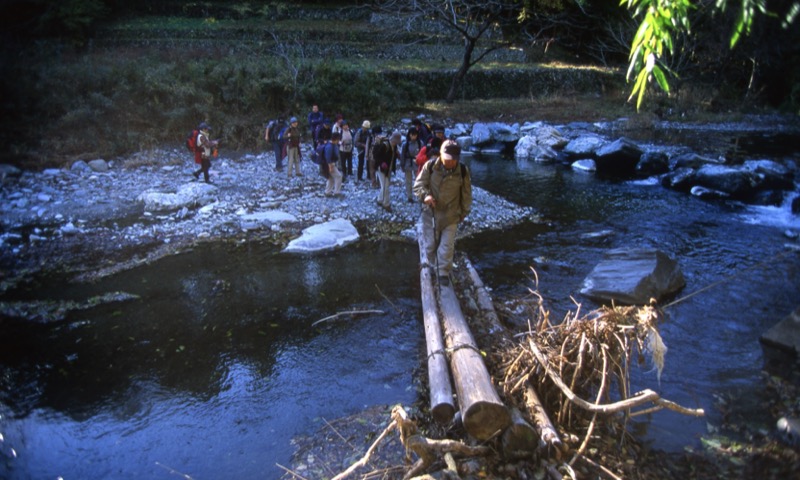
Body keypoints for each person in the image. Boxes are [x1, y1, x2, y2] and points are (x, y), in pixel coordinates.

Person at [413, 139, 472, 287]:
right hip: (430, 214)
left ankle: (443, 272)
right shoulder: (431, 166)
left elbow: (466, 193)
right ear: (440, 154)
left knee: (446, 245)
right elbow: (418, 185)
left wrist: (464, 211)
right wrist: (425, 195)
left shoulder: (463, 171)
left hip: (451, 215)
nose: (449, 162)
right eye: (446, 158)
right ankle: (433, 265)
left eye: (452, 160)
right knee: (431, 244)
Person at [374, 131, 401, 212]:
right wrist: (382, 163)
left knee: (385, 186)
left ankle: (379, 200)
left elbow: (394, 156)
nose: (396, 143)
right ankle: (386, 204)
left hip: (388, 169)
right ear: (393, 140)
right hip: (381, 169)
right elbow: (376, 156)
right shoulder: (384, 145)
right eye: (396, 142)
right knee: (386, 186)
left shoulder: (394, 147)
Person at [400, 128, 423, 203]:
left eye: (415, 135)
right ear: (409, 135)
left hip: (417, 163)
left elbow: (423, 154)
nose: (413, 137)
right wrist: (402, 165)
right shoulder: (405, 144)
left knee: (418, 180)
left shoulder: (420, 143)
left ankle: (419, 195)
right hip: (408, 164)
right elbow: (402, 155)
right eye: (412, 135)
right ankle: (409, 196)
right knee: (408, 181)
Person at [324, 132, 343, 198]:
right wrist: (330, 167)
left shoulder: (333, 145)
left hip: (331, 163)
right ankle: (337, 192)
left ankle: (327, 192)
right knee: (338, 176)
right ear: (336, 139)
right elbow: (328, 157)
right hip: (329, 164)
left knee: (331, 178)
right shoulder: (329, 146)